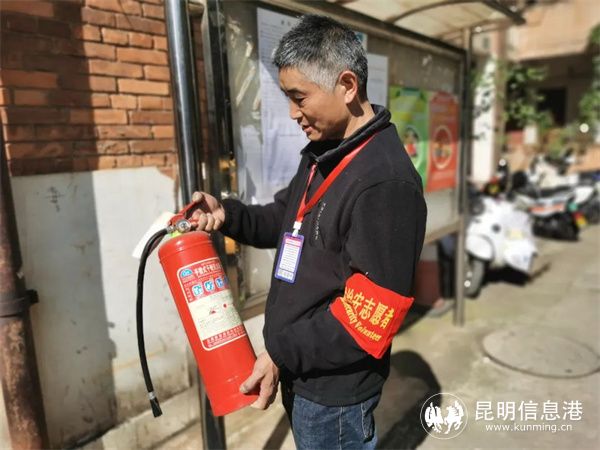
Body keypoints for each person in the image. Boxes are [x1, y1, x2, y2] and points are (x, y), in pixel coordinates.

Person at [190, 14, 427, 449]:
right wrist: (227, 214)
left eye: (299, 98)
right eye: (288, 98)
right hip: (303, 372)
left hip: (334, 397)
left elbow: (367, 318)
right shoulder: (324, 150)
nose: (293, 113)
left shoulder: (385, 183)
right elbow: (286, 218)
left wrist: (281, 353)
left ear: (347, 85)